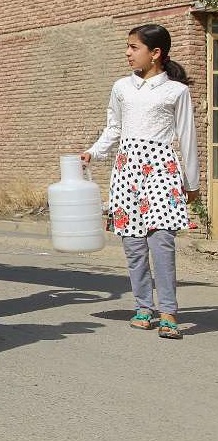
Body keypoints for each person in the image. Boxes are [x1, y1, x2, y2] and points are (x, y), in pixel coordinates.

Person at [79, 24, 200, 340]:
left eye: (134, 47)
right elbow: (114, 128)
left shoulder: (177, 91)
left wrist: (192, 183)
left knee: (162, 241)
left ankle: (169, 312)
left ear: (155, 53)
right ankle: (144, 307)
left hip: (162, 169)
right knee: (133, 243)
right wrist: (93, 153)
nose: (128, 53)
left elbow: (187, 138)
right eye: (128, 46)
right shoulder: (121, 88)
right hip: (126, 169)